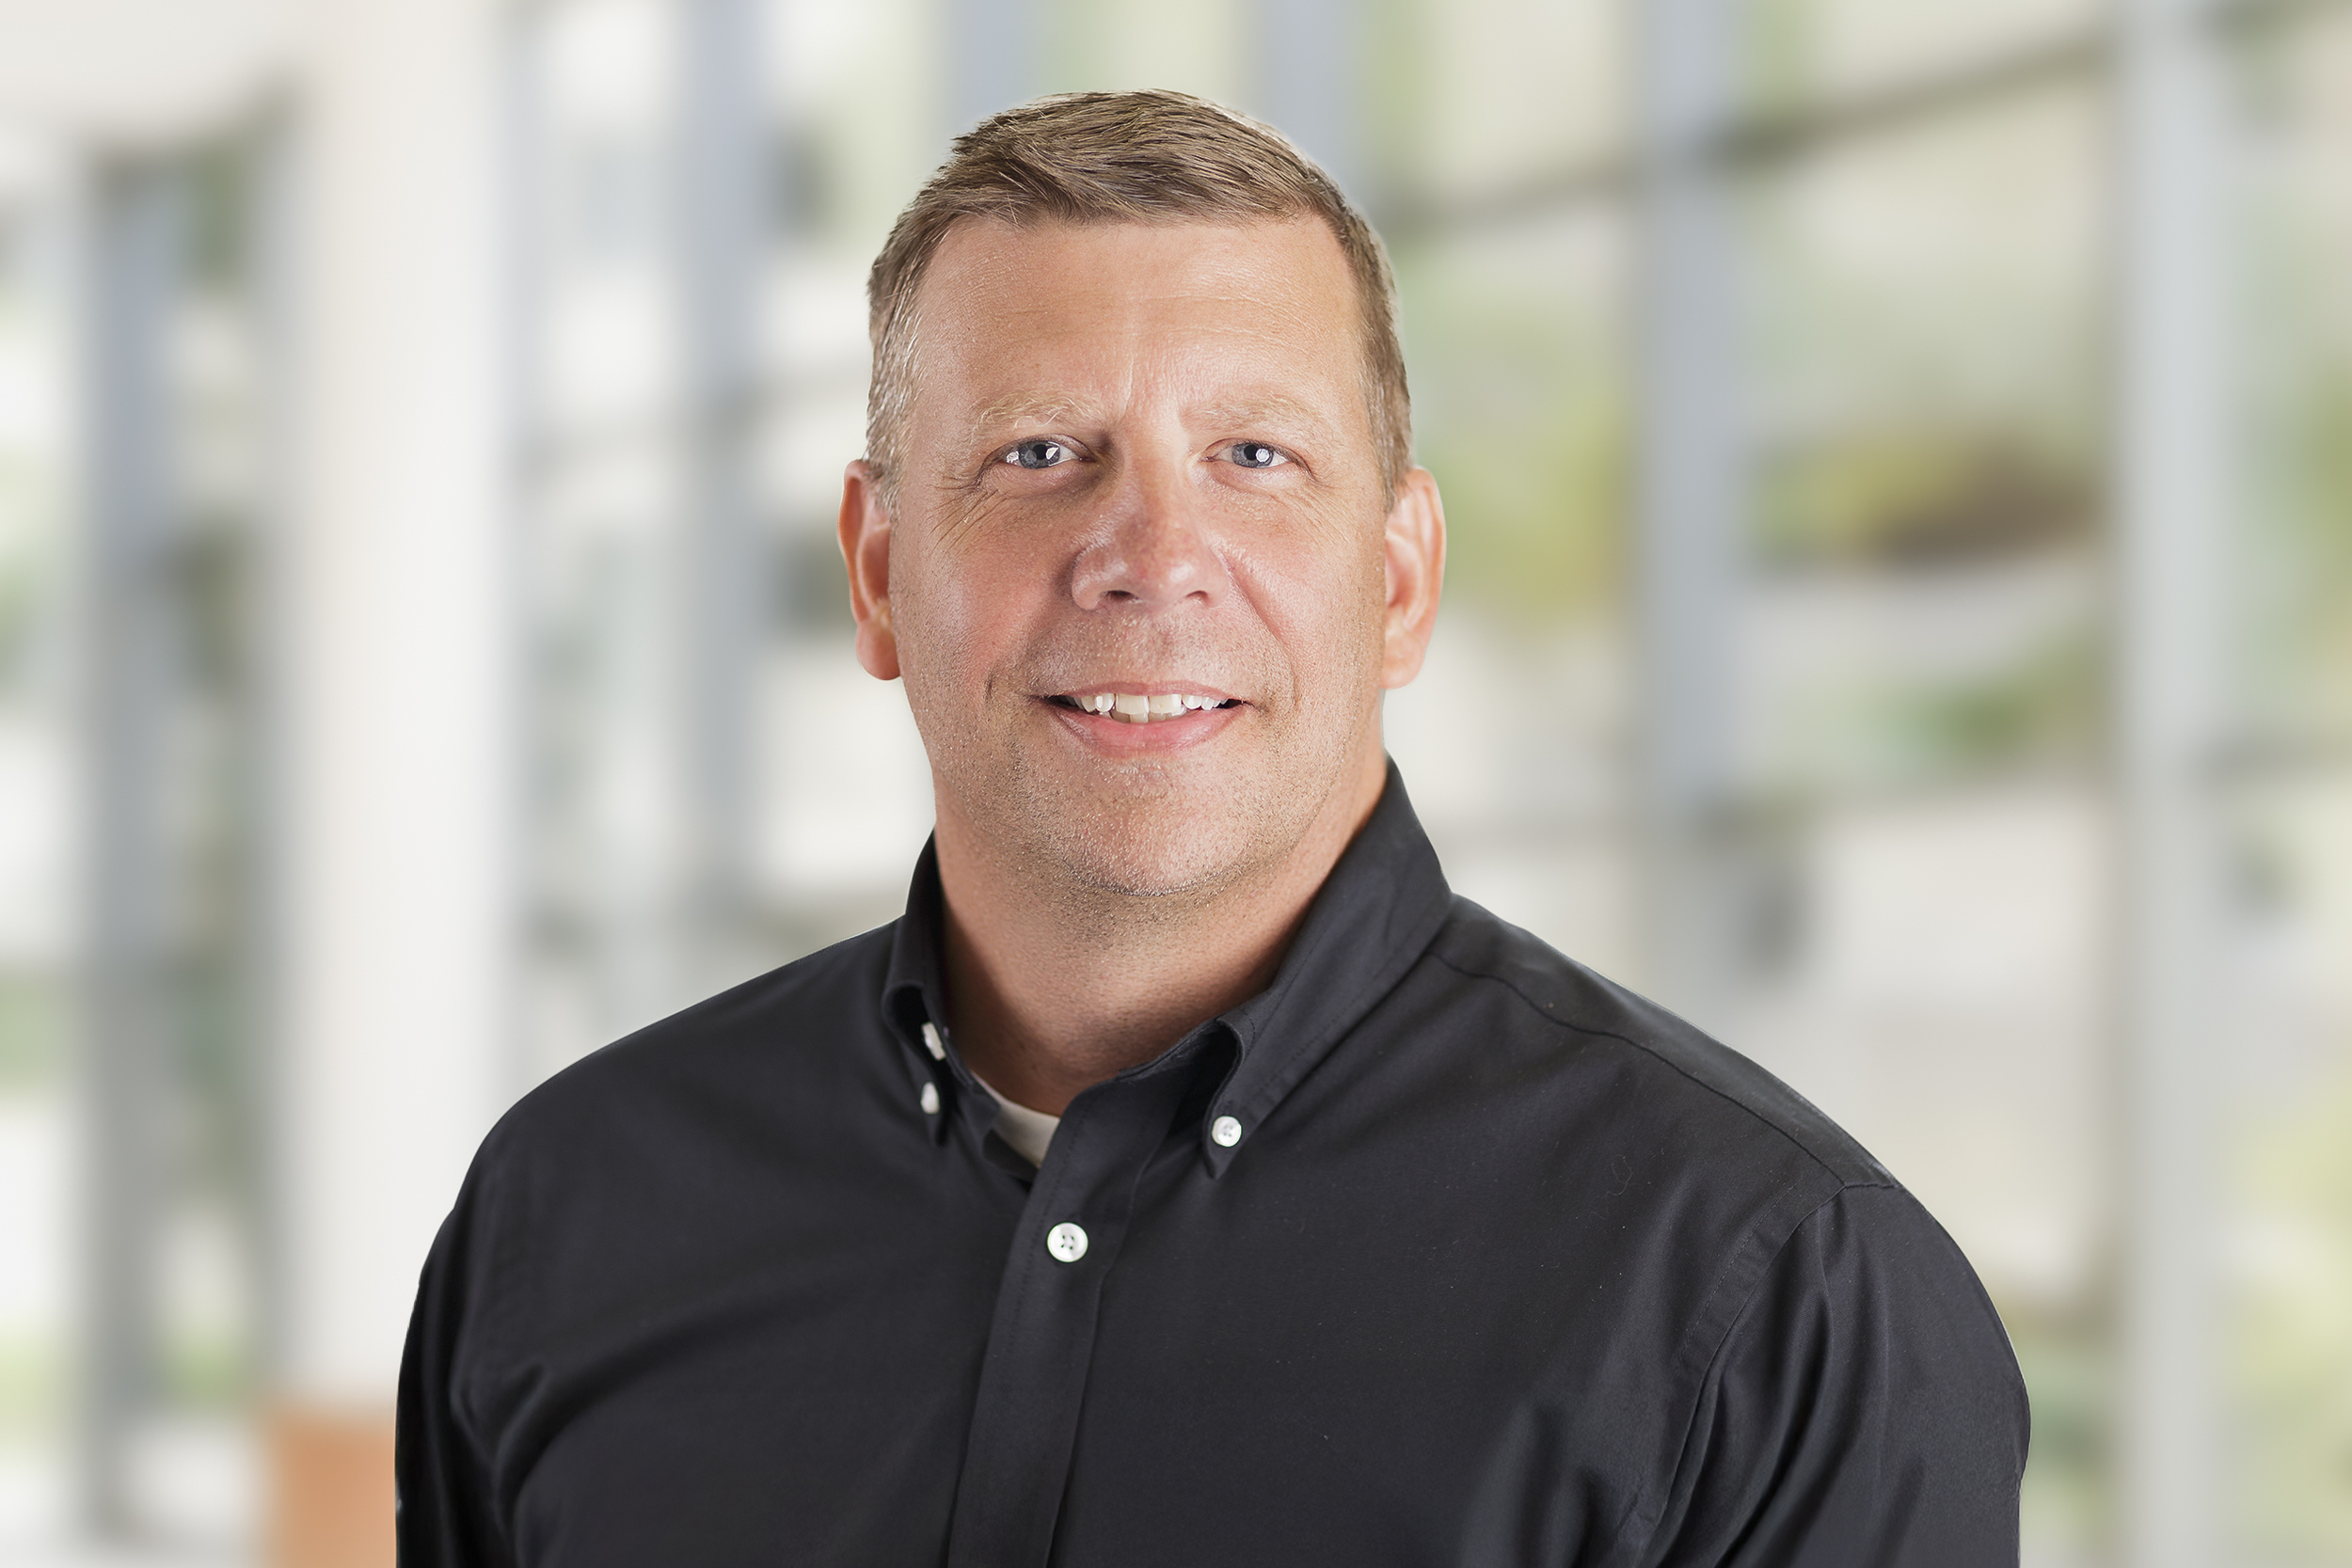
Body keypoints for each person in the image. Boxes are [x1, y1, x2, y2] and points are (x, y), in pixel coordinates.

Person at [396, 90, 2027, 1566]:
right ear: (880, 568)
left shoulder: (1781, 1296)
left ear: (1396, 579)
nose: (1150, 555)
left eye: (1255, 456)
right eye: (1040, 455)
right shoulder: (570, 1209)